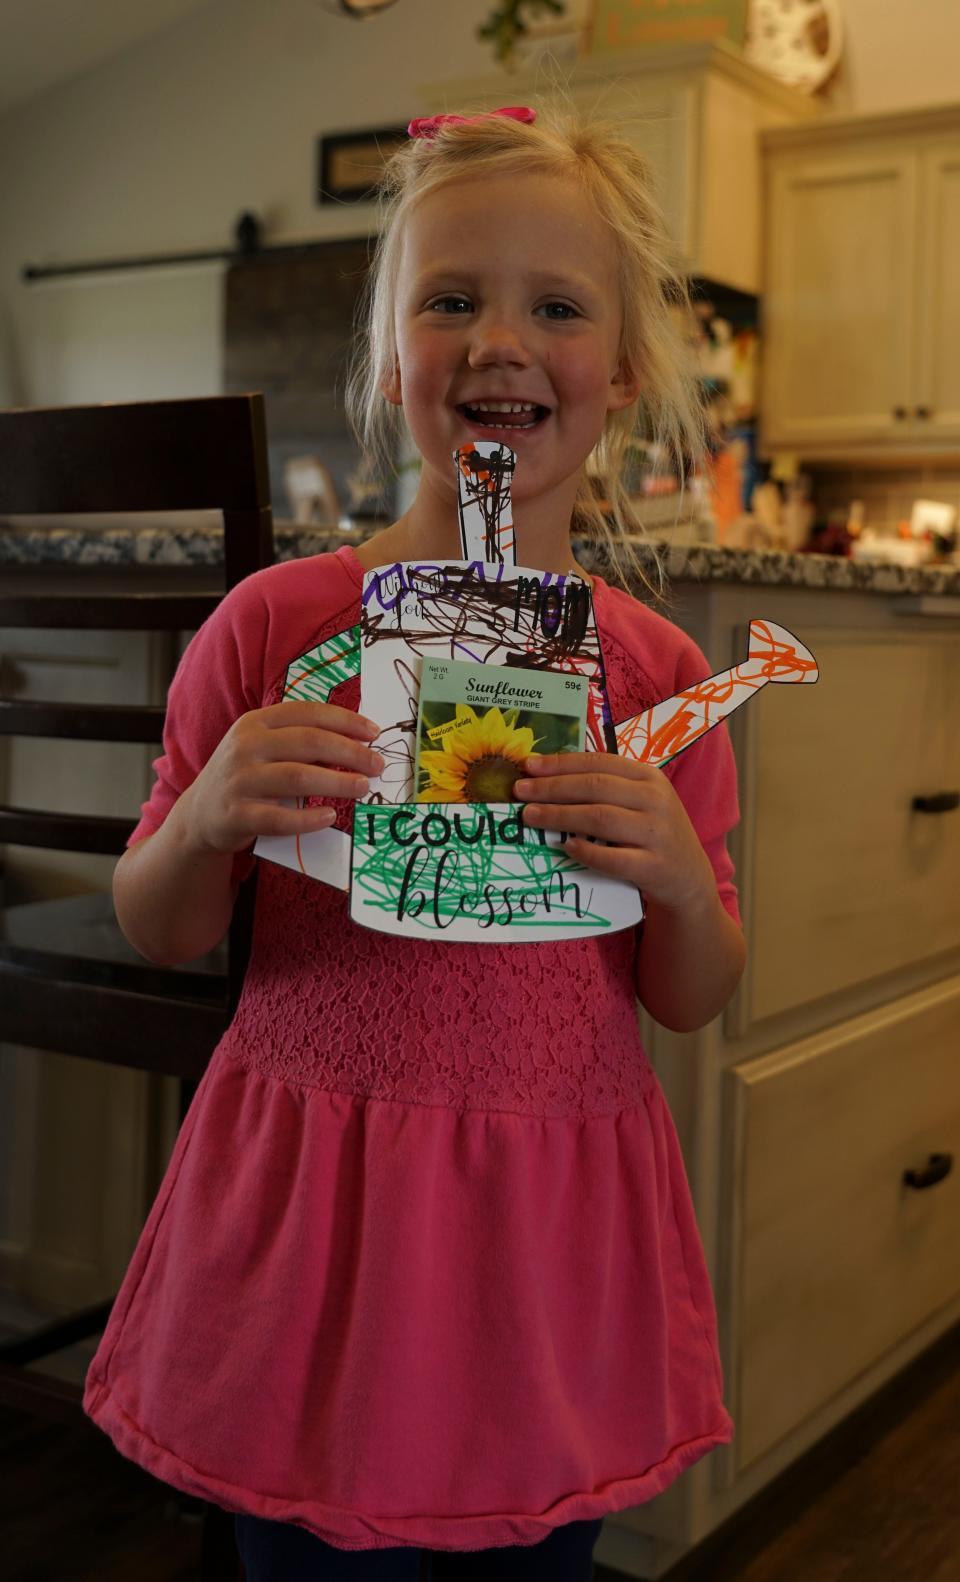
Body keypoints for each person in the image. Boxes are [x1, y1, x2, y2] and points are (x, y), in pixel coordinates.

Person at [83, 102, 746, 1582]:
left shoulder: (650, 676)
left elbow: (694, 991)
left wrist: (673, 876)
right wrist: (204, 817)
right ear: (392, 358)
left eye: (555, 307)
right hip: (315, 1234)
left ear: (623, 372)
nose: (499, 341)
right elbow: (158, 920)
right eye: (450, 300)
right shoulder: (273, 625)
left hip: (545, 1257)